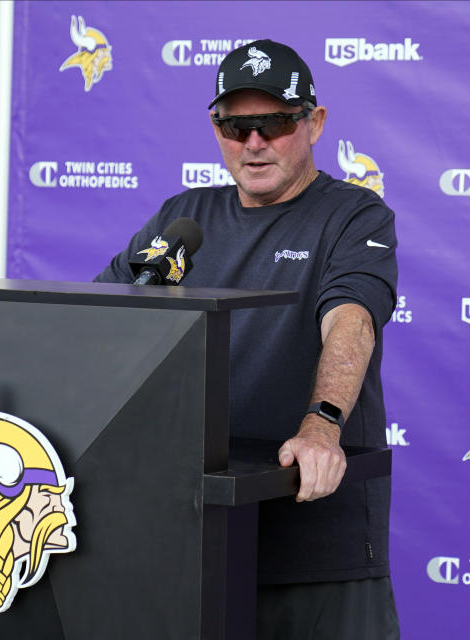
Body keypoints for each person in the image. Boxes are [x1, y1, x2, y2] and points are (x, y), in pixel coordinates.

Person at [95, 39, 399, 639]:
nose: (254, 143)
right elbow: (100, 318)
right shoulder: (182, 219)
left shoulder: (354, 215)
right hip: (193, 541)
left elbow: (351, 319)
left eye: (274, 122)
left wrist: (322, 423)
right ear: (216, 127)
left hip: (316, 548)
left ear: (314, 123)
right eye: (236, 126)